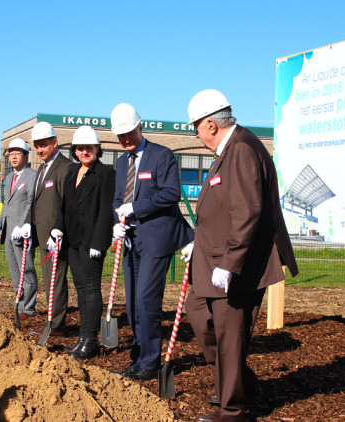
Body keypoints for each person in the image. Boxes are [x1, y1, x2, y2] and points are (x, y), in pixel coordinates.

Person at [181, 89, 299, 422]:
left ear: (211, 125)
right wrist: (199, 244)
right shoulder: (228, 150)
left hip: (236, 264)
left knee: (229, 334)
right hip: (214, 257)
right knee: (198, 311)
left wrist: (230, 263)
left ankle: (233, 409)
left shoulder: (243, 149)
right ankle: (239, 380)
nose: (196, 134)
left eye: (196, 127)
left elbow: (248, 211)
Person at [110, 103, 194, 380]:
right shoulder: (122, 162)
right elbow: (117, 199)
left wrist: (136, 208)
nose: (126, 139)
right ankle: (139, 356)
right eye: (121, 135)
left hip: (156, 238)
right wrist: (116, 222)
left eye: (130, 133)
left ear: (140, 127)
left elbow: (171, 194)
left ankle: (149, 363)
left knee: (147, 299)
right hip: (130, 240)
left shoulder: (161, 155)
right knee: (133, 302)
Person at [52, 125, 115, 359]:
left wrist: (100, 242)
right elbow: (64, 206)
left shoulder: (106, 173)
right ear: (75, 151)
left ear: (98, 148)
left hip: (91, 242)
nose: (84, 152)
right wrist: (57, 229)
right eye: (80, 148)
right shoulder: (72, 172)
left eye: (89, 147)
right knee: (80, 288)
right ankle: (82, 338)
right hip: (73, 241)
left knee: (90, 289)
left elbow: (106, 210)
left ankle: (90, 340)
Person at [25, 121, 74, 337]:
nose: (39, 150)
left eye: (43, 145)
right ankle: (51, 321)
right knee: (48, 280)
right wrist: (28, 221)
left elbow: (66, 203)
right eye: (36, 146)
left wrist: (58, 230)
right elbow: (35, 201)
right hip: (42, 235)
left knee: (56, 280)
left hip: (57, 237)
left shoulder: (66, 168)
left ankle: (56, 325)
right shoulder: (41, 169)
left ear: (55, 143)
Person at [0, 138, 39, 320]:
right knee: (14, 270)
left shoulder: (32, 176)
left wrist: (21, 226)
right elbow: (7, 204)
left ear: (26, 156)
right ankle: (19, 305)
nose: (14, 157)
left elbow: (30, 203)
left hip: (22, 232)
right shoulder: (9, 177)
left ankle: (29, 307)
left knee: (26, 269)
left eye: (18, 153)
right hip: (7, 232)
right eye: (11, 154)